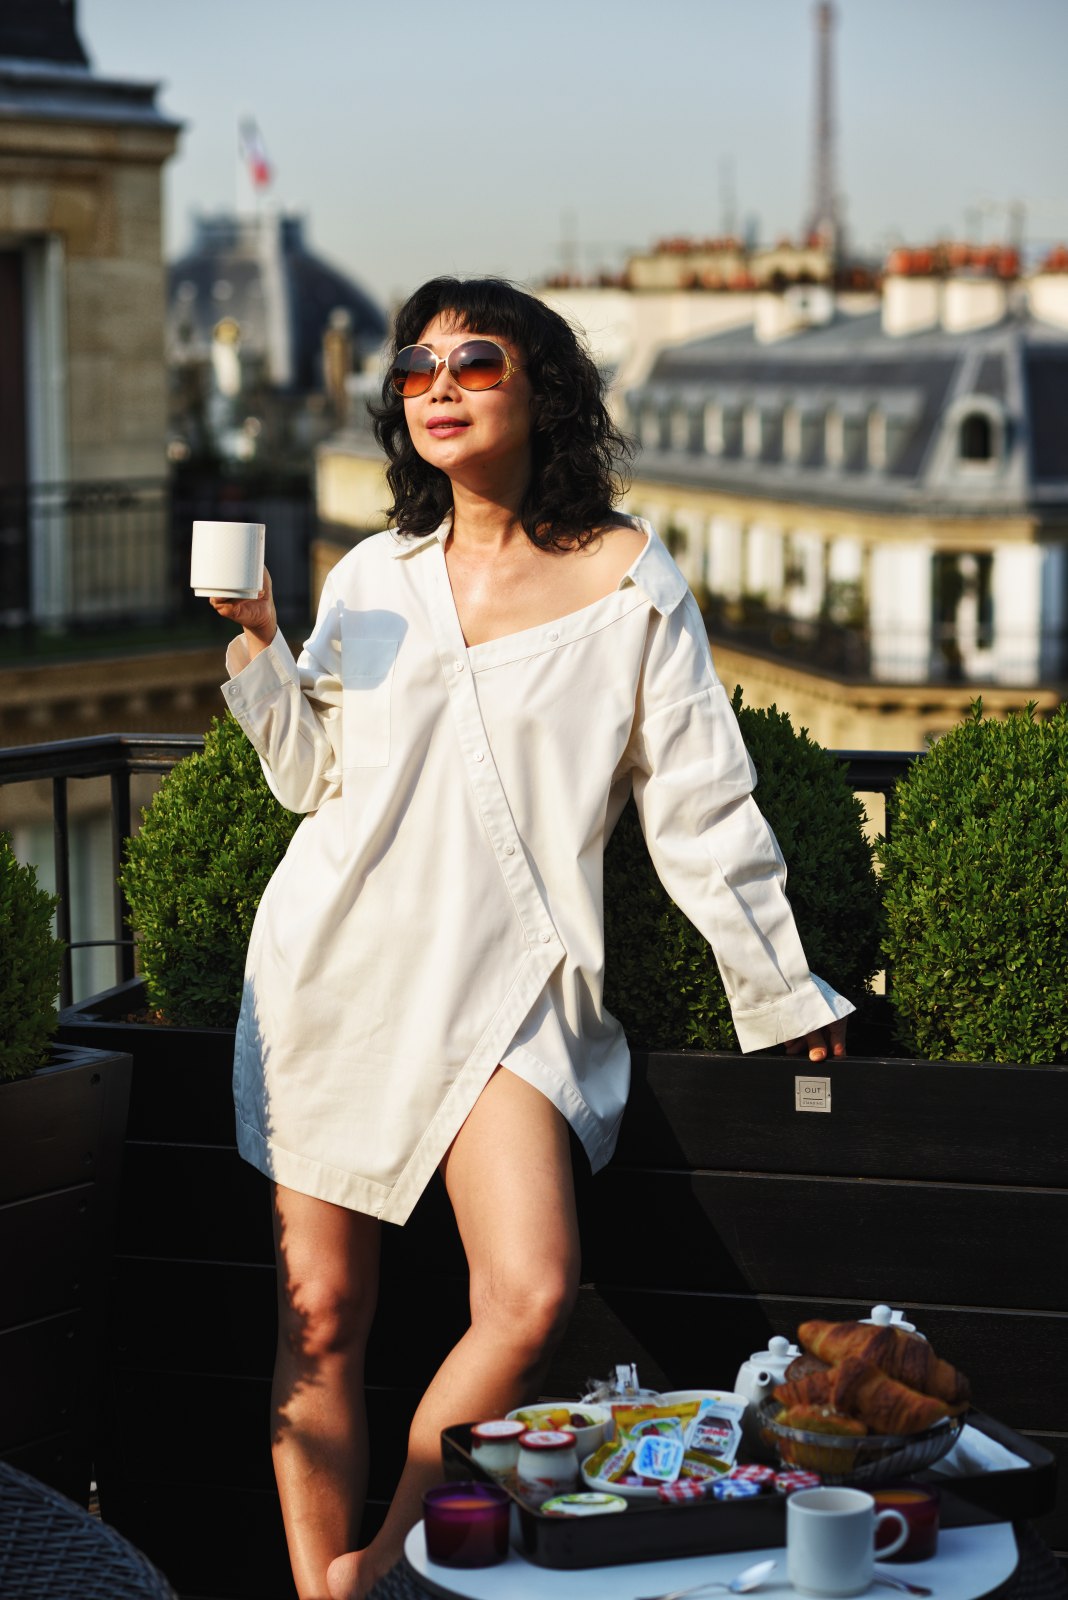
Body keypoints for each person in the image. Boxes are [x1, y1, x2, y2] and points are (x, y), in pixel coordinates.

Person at [210, 276, 853, 1600]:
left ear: (541, 386)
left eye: (474, 360)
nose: (435, 384)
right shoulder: (372, 577)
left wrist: (781, 987)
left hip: (514, 982)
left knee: (530, 1298)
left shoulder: (627, 578)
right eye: (414, 369)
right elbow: (310, 778)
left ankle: (376, 1572)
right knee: (319, 1316)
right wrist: (264, 654)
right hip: (336, 963)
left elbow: (698, 800)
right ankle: (316, 1588)